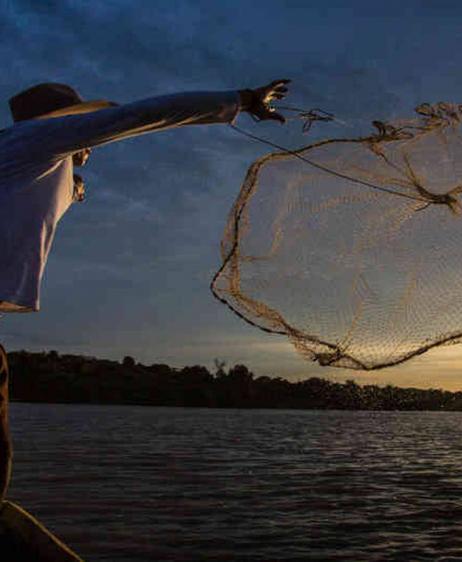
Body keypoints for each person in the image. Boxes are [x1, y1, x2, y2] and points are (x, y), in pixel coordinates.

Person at [0, 79, 289, 504]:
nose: (90, 146)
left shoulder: (26, 158)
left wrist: (73, 191)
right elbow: (146, 116)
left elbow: (35, 195)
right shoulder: (39, 139)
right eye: (84, 126)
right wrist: (241, 101)